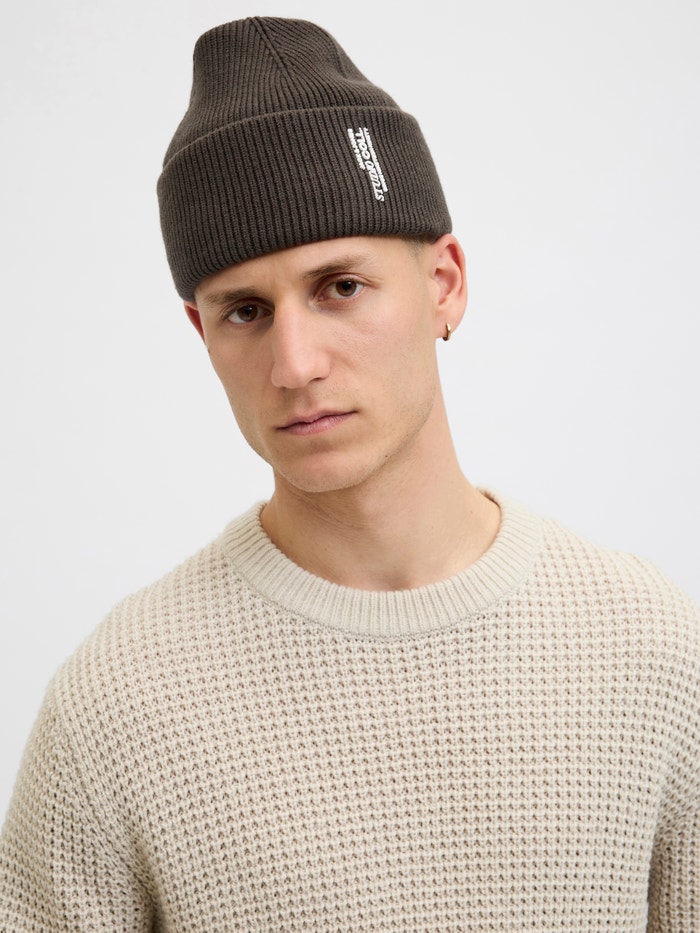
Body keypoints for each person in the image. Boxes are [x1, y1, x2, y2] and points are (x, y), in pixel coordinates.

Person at [0, 15, 698, 931]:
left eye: (340, 287)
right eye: (245, 311)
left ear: (444, 283)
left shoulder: (650, 648)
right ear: (200, 331)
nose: (295, 364)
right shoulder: (114, 708)